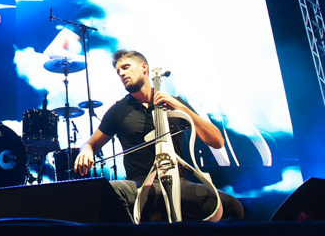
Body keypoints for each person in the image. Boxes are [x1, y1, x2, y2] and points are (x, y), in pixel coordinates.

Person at [73, 49, 244, 222]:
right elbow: (90, 144)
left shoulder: (174, 102)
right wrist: (86, 150)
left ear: (144, 67)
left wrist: (180, 107)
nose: (122, 74)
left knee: (231, 206)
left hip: (178, 183)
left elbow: (217, 141)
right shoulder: (118, 111)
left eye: (126, 67)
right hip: (138, 184)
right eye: (118, 72)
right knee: (110, 190)